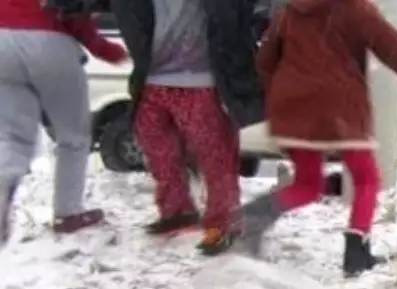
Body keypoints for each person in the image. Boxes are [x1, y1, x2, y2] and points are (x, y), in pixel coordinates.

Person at [232, 0, 397, 278]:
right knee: (366, 180)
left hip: (293, 108)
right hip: (341, 109)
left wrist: (281, 91)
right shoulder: (353, 7)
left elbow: (265, 59)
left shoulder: (289, 11)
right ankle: (356, 251)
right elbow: (388, 43)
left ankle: (255, 216)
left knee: (307, 185)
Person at [108, 0, 264, 254]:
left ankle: (224, 225)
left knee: (215, 156)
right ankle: (177, 211)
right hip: (153, 77)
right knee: (158, 150)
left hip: (203, 79)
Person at [0, 0, 128, 248]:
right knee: (73, 137)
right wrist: (110, 51)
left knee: (13, 136)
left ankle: (2, 184)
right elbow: (74, 14)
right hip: (48, 42)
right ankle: (68, 212)